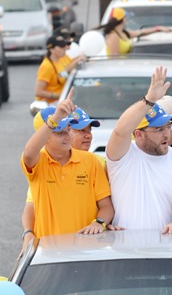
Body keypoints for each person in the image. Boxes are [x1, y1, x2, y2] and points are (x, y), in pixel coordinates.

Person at [106, 67, 172, 232]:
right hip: (125, 248)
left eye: (167, 126)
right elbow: (120, 131)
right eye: (158, 129)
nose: (166, 134)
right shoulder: (123, 156)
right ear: (139, 134)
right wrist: (149, 99)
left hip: (167, 248)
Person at [20, 90, 114, 240]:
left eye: (68, 130)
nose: (67, 137)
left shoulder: (90, 161)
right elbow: (28, 153)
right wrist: (55, 118)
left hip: (86, 249)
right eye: (59, 133)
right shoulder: (39, 163)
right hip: (48, 251)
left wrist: (99, 223)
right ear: (44, 137)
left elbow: (106, 206)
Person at [97, 7, 171, 56]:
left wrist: (158, 29)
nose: (127, 19)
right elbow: (114, 59)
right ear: (123, 19)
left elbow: (141, 32)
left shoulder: (124, 33)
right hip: (118, 71)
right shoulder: (113, 36)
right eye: (126, 17)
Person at [34, 35, 86, 103]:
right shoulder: (46, 66)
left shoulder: (61, 59)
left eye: (64, 45)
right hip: (50, 104)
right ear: (51, 49)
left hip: (61, 100)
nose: (64, 48)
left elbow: (64, 72)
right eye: (61, 46)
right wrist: (61, 95)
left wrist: (79, 58)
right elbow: (38, 92)